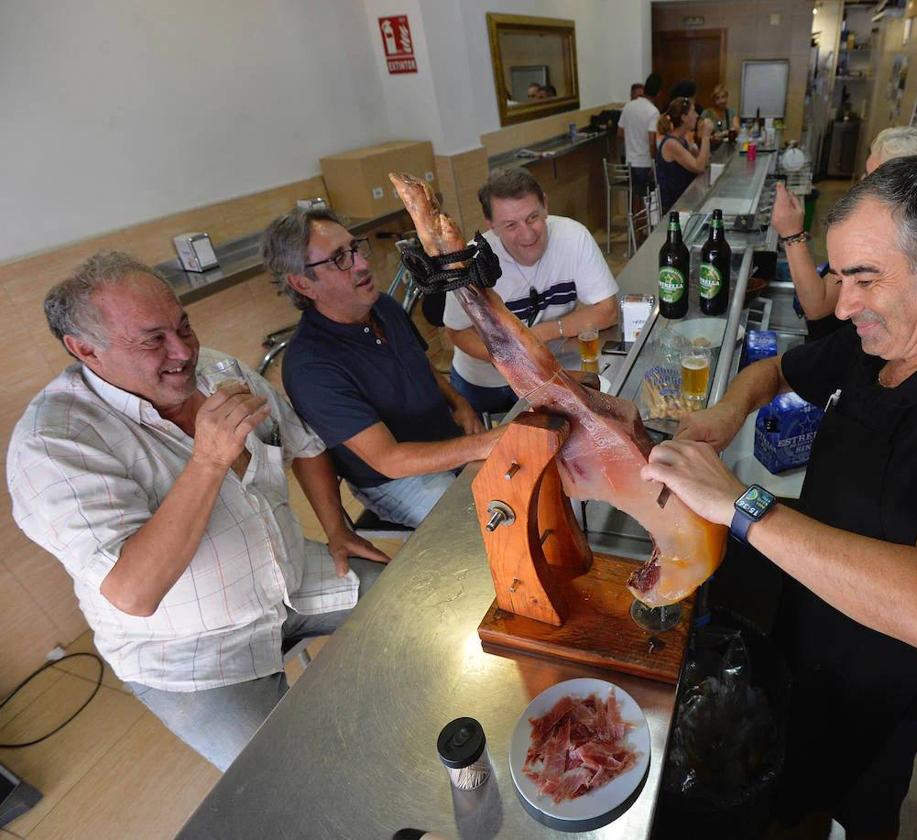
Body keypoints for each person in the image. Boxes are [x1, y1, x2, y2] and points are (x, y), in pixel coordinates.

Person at [642, 157, 917, 838]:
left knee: (840, 804)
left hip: (876, 684)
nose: (841, 307)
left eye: (864, 279)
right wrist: (726, 414)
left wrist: (741, 504)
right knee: (765, 772)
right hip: (806, 618)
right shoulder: (879, 341)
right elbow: (775, 368)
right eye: (838, 278)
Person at [7, 251, 393, 771]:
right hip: (191, 653)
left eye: (182, 325)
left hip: (292, 580)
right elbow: (134, 593)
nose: (183, 351)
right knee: (289, 783)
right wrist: (209, 459)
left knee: (418, 604)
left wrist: (336, 528)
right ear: (85, 349)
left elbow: (299, 442)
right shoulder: (53, 446)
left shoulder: (218, 369)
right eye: (152, 339)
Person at [262, 208, 503, 527]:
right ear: (303, 283)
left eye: (354, 248)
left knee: (523, 488)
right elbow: (389, 461)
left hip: (447, 439)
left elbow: (421, 366)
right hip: (397, 480)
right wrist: (483, 444)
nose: (362, 264)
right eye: (338, 259)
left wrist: (459, 404)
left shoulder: (382, 306)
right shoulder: (310, 367)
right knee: (483, 524)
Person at [442, 168, 620, 414]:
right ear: (491, 225)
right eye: (511, 225)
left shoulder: (573, 236)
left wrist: (538, 335)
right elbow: (457, 332)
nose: (527, 234)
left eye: (532, 217)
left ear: (545, 205)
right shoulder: (471, 262)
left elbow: (607, 310)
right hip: (483, 383)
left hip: (548, 372)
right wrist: (511, 361)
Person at [774, 126, 917, 340]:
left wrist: (791, 234)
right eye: (865, 172)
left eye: (871, 178)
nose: (862, 182)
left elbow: (817, 305)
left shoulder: (888, 243)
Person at [655, 97, 712, 212]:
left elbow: (704, 162)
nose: (697, 116)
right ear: (684, 118)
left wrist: (701, 137)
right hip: (673, 206)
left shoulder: (683, 140)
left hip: (685, 199)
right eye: (693, 112)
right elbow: (698, 167)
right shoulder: (671, 144)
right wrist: (706, 136)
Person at [618, 73, 663, 196]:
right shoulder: (653, 111)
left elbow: (620, 133)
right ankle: (645, 216)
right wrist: (654, 162)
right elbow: (652, 141)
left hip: (629, 162)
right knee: (647, 198)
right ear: (659, 93)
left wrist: (633, 139)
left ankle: (632, 215)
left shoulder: (628, 106)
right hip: (645, 163)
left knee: (634, 196)